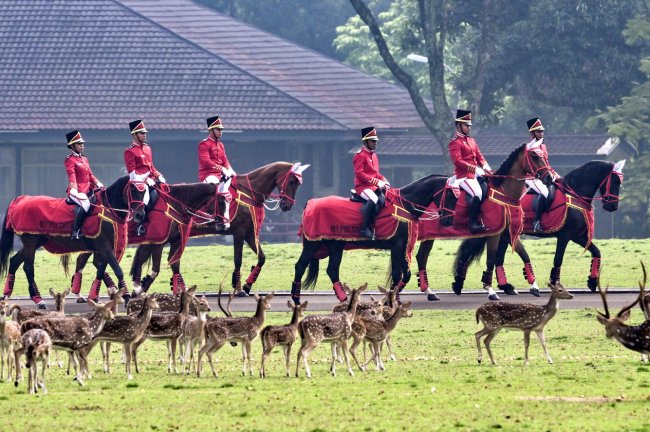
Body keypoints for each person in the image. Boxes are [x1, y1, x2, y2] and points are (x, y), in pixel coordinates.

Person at [448, 109, 492, 233]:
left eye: (469, 126)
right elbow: (458, 162)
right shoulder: (455, 143)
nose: (469, 128)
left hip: (475, 174)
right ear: (458, 125)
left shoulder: (471, 141)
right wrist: (474, 169)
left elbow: (479, 157)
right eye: (466, 125)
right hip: (463, 176)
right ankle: (472, 223)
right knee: (477, 193)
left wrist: (486, 168)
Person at [124, 119, 166, 236]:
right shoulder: (130, 151)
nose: (145, 135)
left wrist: (158, 175)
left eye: (145, 133)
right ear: (134, 134)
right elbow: (132, 171)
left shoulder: (148, 148)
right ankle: (139, 225)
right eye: (142, 133)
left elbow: (151, 166)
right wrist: (145, 179)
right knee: (146, 199)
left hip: (151, 180)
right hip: (138, 183)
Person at [198, 115, 235, 231]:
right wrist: (221, 169)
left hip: (220, 174)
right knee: (214, 186)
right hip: (208, 175)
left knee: (233, 187)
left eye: (221, 130)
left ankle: (228, 216)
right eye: (218, 129)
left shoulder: (221, 145)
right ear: (211, 130)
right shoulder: (204, 144)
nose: (220, 132)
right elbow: (206, 161)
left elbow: (225, 161)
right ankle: (212, 215)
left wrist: (230, 170)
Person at [64, 130, 103, 239]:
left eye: (82, 143)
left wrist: (99, 184)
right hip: (77, 189)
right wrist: (74, 188)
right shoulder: (69, 160)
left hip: (88, 188)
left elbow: (90, 175)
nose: (82, 145)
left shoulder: (84, 159)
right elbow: (71, 174)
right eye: (79, 144)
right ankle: (75, 231)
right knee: (86, 204)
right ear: (72, 146)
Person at [353, 127, 389, 239]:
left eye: (376, 141)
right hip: (362, 187)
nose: (375, 143)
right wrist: (376, 182)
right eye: (373, 141)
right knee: (373, 199)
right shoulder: (360, 155)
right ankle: (365, 228)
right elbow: (360, 174)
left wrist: (384, 181)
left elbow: (376, 173)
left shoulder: (374, 155)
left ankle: (376, 227)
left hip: (372, 186)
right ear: (365, 141)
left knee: (383, 198)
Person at [525, 117, 560, 232]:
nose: (541, 133)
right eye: (539, 132)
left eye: (542, 131)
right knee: (544, 192)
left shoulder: (543, 147)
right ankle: (536, 221)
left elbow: (546, 164)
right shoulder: (528, 147)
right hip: (531, 177)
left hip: (543, 175)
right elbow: (527, 166)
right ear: (532, 133)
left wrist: (554, 174)